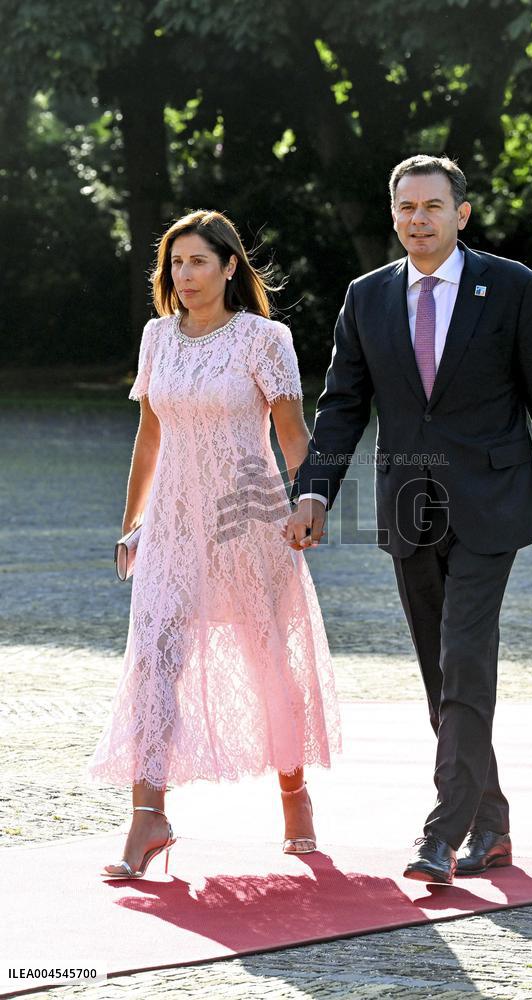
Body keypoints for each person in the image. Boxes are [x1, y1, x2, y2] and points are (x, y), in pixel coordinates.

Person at [284, 154, 532, 884]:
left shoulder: (510, 287)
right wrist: (315, 492)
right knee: (439, 671)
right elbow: (342, 405)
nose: (418, 220)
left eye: (432, 206)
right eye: (407, 207)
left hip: (492, 504)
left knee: (465, 658)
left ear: (461, 214)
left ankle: (441, 834)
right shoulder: (367, 297)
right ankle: (492, 824)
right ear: (393, 215)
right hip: (409, 508)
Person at [88, 209, 340, 878]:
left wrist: (310, 501)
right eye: (176, 263)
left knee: (268, 659)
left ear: (230, 267)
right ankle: (148, 815)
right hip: (171, 524)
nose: (185, 275)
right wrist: (132, 521)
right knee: (154, 658)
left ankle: (294, 798)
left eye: (198, 261)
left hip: (246, 521)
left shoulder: (265, 339)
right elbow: (149, 435)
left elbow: (291, 432)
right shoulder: (157, 337)